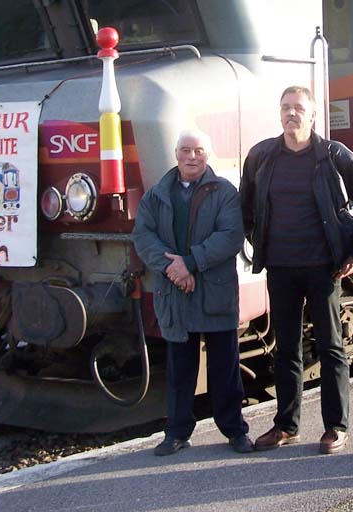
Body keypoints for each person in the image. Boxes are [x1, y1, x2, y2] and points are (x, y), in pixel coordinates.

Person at [240, 85, 353, 454]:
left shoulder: (335, 155)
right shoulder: (262, 156)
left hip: (324, 268)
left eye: (299, 108)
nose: (291, 113)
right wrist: (258, 243)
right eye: (286, 107)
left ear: (313, 115)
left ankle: (336, 426)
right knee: (286, 349)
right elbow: (245, 208)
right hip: (280, 267)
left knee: (331, 346)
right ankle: (286, 426)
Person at [132, 129, 253, 456]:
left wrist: (189, 263)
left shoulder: (225, 192)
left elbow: (230, 236)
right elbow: (143, 236)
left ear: (207, 155)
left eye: (198, 151)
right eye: (185, 150)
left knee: (224, 368)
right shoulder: (156, 195)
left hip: (214, 293)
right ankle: (177, 432)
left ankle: (235, 431)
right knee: (179, 370)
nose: (191, 156)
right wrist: (172, 269)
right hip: (176, 293)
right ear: (176, 154)